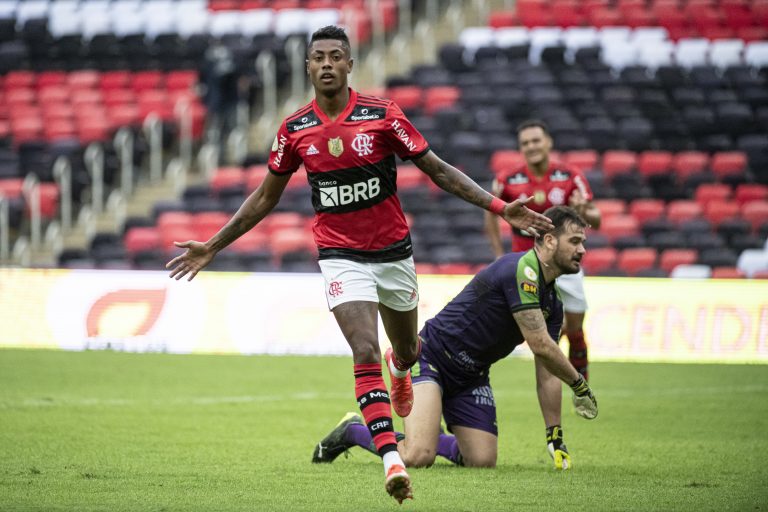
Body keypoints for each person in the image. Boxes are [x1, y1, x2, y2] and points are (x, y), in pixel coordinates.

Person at [166, 26, 553, 504]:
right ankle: (392, 462)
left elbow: (436, 168)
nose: (326, 64)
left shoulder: (381, 116)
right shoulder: (294, 130)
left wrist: (499, 207)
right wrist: (214, 245)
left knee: (407, 351)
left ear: (350, 65)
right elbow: (265, 197)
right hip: (339, 256)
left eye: (335, 57)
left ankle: (401, 368)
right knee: (364, 349)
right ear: (308, 67)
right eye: (318, 58)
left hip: (394, 255)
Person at [311, 206, 598, 471]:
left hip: (472, 375)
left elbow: (547, 370)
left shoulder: (554, 302)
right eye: (574, 241)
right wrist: (580, 385)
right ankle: (353, 430)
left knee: (482, 460)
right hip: (431, 357)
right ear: (549, 240)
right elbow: (541, 345)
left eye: (582, 242)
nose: (582, 249)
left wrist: (555, 435)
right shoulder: (521, 270)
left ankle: (428, 432)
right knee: (417, 456)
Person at [484, 120, 601, 381]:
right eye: (525, 143)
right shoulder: (507, 179)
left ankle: (580, 364)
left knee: (574, 327)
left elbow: (597, 217)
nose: (531, 147)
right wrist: (497, 252)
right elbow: (490, 213)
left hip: (564, 265)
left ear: (548, 142)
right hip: (527, 267)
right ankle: (565, 384)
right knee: (543, 336)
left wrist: (584, 210)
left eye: (536, 141)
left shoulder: (571, 176)